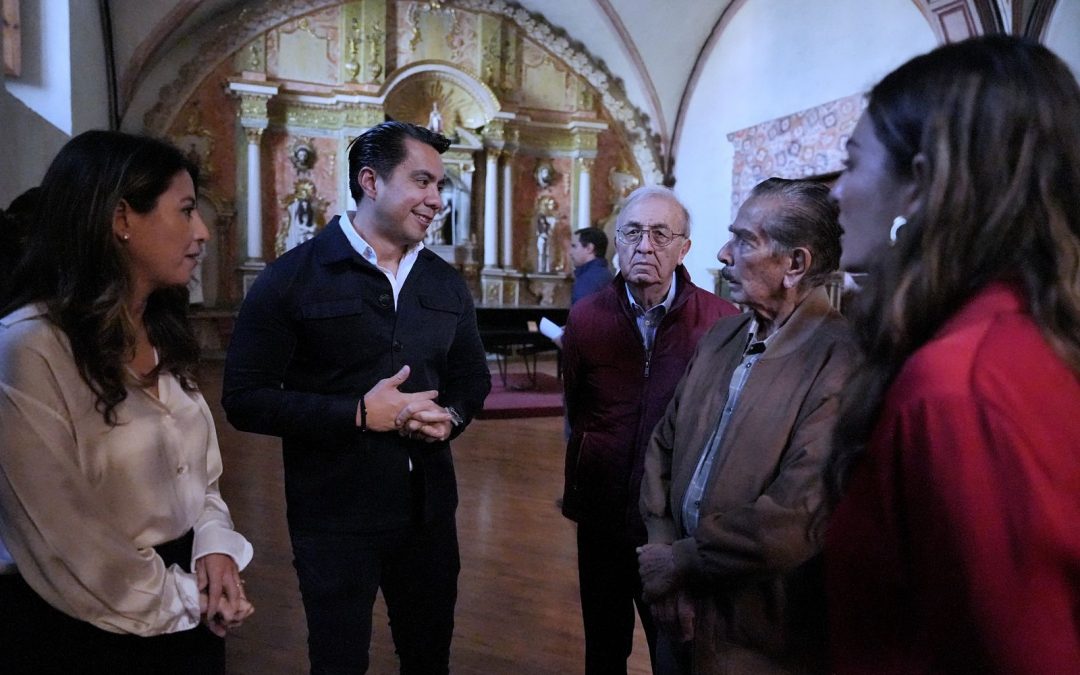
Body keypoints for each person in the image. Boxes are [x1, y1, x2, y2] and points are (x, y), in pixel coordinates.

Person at [825, 35, 1080, 673]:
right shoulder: (1025, 335)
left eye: (852, 163)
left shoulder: (959, 386)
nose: (835, 192)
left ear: (919, 184)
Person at [222, 121, 491, 674]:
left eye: (439, 185)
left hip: (428, 515)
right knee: (338, 661)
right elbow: (244, 398)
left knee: (428, 658)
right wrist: (359, 414)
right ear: (370, 181)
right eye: (422, 182)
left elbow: (472, 379)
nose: (437, 200)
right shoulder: (291, 278)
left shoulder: (445, 283)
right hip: (333, 516)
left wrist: (451, 416)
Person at [0, 130, 254, 674]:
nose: (202, 231)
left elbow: (199, 479)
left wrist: (214, 547)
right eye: (185, 210)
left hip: (182, 599)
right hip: (83, 622)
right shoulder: (29, 348)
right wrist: (184, 598)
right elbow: (64, 534)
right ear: (121, 219)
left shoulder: (161, 332)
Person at [638, 178, 859, 673]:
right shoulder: (723, 335)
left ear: (795, 264)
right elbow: (663, 445)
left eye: (744, 240)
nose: (723, 253)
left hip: (759, 634)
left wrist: (683, 562)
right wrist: (662, 548)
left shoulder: (842, 359)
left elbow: (795, 517)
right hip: (676, 609)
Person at [561, 185, 738, 674]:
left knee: (676, 652)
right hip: (601, 513)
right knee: (603, 649)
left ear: (684, 249)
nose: (644, 246)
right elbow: (578, 407)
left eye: (661, 234)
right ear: (617, 242)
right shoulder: (586, 317)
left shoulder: (721, 323)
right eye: (632, 232)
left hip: (675, 526)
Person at [569, 226, 613, 305]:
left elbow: (581, 312)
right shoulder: (604, 275)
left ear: (589, 248)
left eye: (574, 246)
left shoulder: (588, 281)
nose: (570, 253)